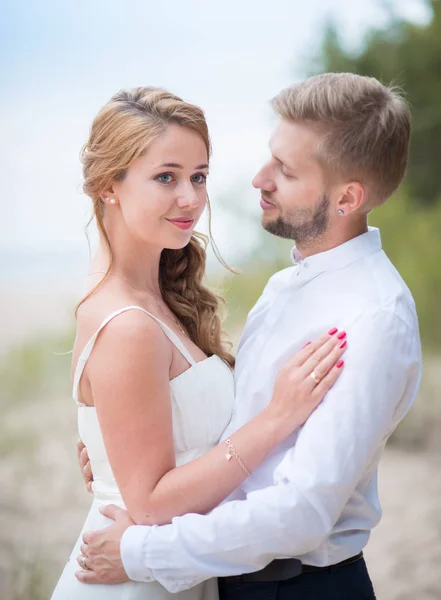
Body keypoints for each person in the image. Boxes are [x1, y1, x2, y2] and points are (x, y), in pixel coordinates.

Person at [77, 73, 422, 600]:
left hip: (299, 587)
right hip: (216, 576)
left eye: (284, 170)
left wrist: (138, 551)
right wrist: (116, 459)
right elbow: (231, 431)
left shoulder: (373, 317)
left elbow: (302, 512)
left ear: (347, 197)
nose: (259, 179)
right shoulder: (284, 287)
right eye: (269, 157)